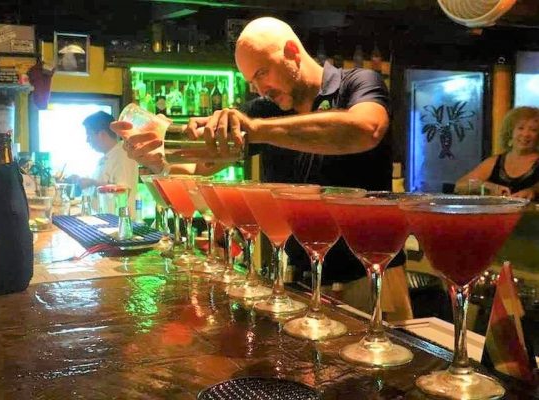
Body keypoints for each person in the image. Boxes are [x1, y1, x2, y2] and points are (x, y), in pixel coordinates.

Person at [112, 17, 412, 319]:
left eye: (262, 73)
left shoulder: (359, 83)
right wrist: (162, 158)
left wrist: (257, 129)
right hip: (302, 279)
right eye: (251, 82)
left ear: (293, 52)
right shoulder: (264, 110)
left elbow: (366, 129)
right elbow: (201, 165)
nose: (260, 89)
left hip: (372, 275)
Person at [455, 106, 539, 200]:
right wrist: (488, 187)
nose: (526, 134)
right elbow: (459, 186)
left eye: (533, 130)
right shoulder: (495, 162)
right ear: (510, 131)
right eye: (520, 128)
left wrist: (532, 191)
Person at [71, 111, 139, 212]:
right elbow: (101, 185)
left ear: (102, 134)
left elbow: (122, 192)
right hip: (101, 218)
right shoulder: (106, 157)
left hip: (117, 222)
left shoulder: (124, 154)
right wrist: (85, 181)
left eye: (89, 135)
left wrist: (92, 182)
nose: (87, 140)